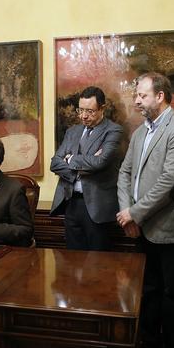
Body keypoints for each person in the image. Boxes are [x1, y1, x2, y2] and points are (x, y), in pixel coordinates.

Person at [116, 72, 174, 348]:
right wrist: (127, 212)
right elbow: (124, 173)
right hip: (140, 228)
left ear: (160, 96)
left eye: (142, 95)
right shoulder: (140, 132)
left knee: (172, 296)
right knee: (147, 291)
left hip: (170, 228)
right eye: (136, 95)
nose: (136, 100)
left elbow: (168, 183)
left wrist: (135, 213)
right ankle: (150, 344)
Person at [49, 86, 123, 250]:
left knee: (97, 260)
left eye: (90, 111)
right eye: (80, 110)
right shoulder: (72, 131)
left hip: (97, 207)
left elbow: (100, 162)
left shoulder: (113, 131)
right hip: (70, 203)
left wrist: (70, 159)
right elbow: (54, 163)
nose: (83, 116)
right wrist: (83, 165)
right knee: (73, 259)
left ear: (102, 108)